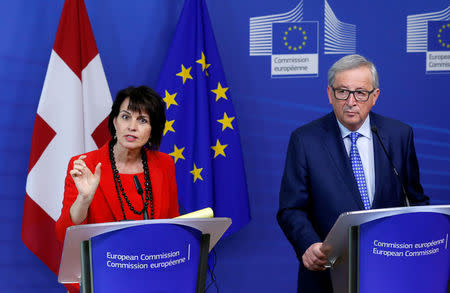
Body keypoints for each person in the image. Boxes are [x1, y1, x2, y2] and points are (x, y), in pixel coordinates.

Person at [277, 54, 429, 292]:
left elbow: (415, 200)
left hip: (390, 268)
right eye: (342, 92)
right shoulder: (305, 140)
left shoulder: (399, 135)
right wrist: (308, 245)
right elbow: (291, 208)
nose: (351, 101)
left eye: (360, 92)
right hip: (328, 273)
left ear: (374, 96)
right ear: (329, 94)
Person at [56, 86, 179, 242]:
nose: (132, 127)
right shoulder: (85, 164)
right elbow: (64, 235)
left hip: (152, 260)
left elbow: (173, 226)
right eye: (125, 117)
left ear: (152, 130)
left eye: (142, 120)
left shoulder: (164, 164)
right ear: (115, 122)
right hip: (104, 263)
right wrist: (84, 199)